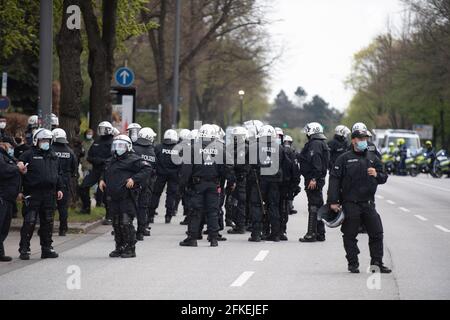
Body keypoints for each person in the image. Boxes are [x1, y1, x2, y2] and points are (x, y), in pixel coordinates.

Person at [327, 125, 391, 274]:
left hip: (368, 203)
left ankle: (377, 263)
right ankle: (353, 262)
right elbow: (334, 180)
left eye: (366, 139)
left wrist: (376, 174)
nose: (364, 141)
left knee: (377, 233)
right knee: (349, 234)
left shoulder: (373, 158)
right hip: (350, 203)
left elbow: (384, 177)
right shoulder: (344, 158)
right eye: (361, 139)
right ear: (354, 140)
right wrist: (333, 201)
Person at [179, 124, 235, 247]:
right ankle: (213, 238)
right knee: (213, 212)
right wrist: (228, 183)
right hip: (214, 185)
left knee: (195, 211)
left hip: (197, 185)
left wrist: (183, 186)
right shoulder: (220, 149)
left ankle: (192, 238)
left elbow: (185, 171)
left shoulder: (192, 149)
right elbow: (228, 168)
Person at [99, 135, 153, 258]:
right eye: (116, 145)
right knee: (116, 223)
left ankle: (130, 248)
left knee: (125, 222)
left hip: (126, 197)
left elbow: (147, 169)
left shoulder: (133, 159)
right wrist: (102, 179)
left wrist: (134, 179)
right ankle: (119, 247)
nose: (118, 148)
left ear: (128, 147)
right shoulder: (111, 160)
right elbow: (105, 171)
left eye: (121, 146)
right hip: (113, 197)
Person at [18, 128, 64, 260]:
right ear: (36, 141)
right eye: (43, 140)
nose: (45, 143)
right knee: (30, 221)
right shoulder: (28, 155)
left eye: (48, 141)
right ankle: (24, 249)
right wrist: (20, 191)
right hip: (33, 193)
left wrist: (59, 188)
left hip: (49, 193)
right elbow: (19, 171)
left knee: (48, 222)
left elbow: (58, 174)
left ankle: (47, 248)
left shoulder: (53, 155)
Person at [248, 125, 289, 242]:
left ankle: (256, 234)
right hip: (275, 180)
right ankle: (275, 234)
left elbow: (250, 163)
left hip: (259, 180)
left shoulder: (255, 146)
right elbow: (284, 163)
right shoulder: (280, 147)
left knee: (256, 205)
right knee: (274, 206)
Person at [298, 122, 330, 243]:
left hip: (314, 179)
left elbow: (316, 162)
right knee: (318, 204)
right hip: (317, 179)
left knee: (313, 206)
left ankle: (311, 234)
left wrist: (313, 179)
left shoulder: (315, 144)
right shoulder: (320, 143)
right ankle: (320, 233)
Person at [79, 121, 114, 215]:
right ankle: (86, 207)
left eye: (104, 129)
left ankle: (109, 215)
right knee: (83, 187)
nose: (102, 131)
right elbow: (89, 156)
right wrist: (97, 160)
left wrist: (102, 161)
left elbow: (112, 158)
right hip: (96, 170)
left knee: (105, 193)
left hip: (107, 171)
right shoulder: (97, 141)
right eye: (101, 129)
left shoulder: (113, 142)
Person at [149, 129, 181, 224]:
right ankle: (168, 216)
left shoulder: (158, 147)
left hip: (160, 174)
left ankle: (150, 215)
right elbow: (181, 163)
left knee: (156, 194)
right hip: (174, 175)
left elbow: (154, 160)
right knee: (171, 195)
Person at [0, 142, 26, 261]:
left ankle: (0, 252)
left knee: (4, 226)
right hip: (2, 196)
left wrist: (20, 166)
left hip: (9, 197)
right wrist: (17, 167)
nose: (11, 150)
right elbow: (4, 170)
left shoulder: (9, 157)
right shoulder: (1, 157)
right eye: (9, 148)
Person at [132, 127, 157, 241]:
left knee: (129, 206)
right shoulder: (152, 151)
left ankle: (127, 229)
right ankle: (141, 232)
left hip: (132, 182)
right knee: (143, 207)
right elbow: (155, 168)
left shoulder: (132, 148)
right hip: (146, 183)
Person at [51, 129, 78, 236]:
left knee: (50, 207)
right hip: (65, 182)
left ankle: (47, 229)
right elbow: (74, 169)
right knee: (63, 207)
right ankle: (63, 229)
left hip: (52, 180)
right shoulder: (70, 152)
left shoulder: (50, 150)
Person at [226, 127, 250, 234]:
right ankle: (240, 224)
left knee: (240, 203)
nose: (235, 139)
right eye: (234, 137)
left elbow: (239, 163)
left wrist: (230, 163)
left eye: (237, 137)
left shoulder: (244, 148)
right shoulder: (233, 147)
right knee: (234, 202)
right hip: (236, 178)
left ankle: (241, 226)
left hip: (241, 178)